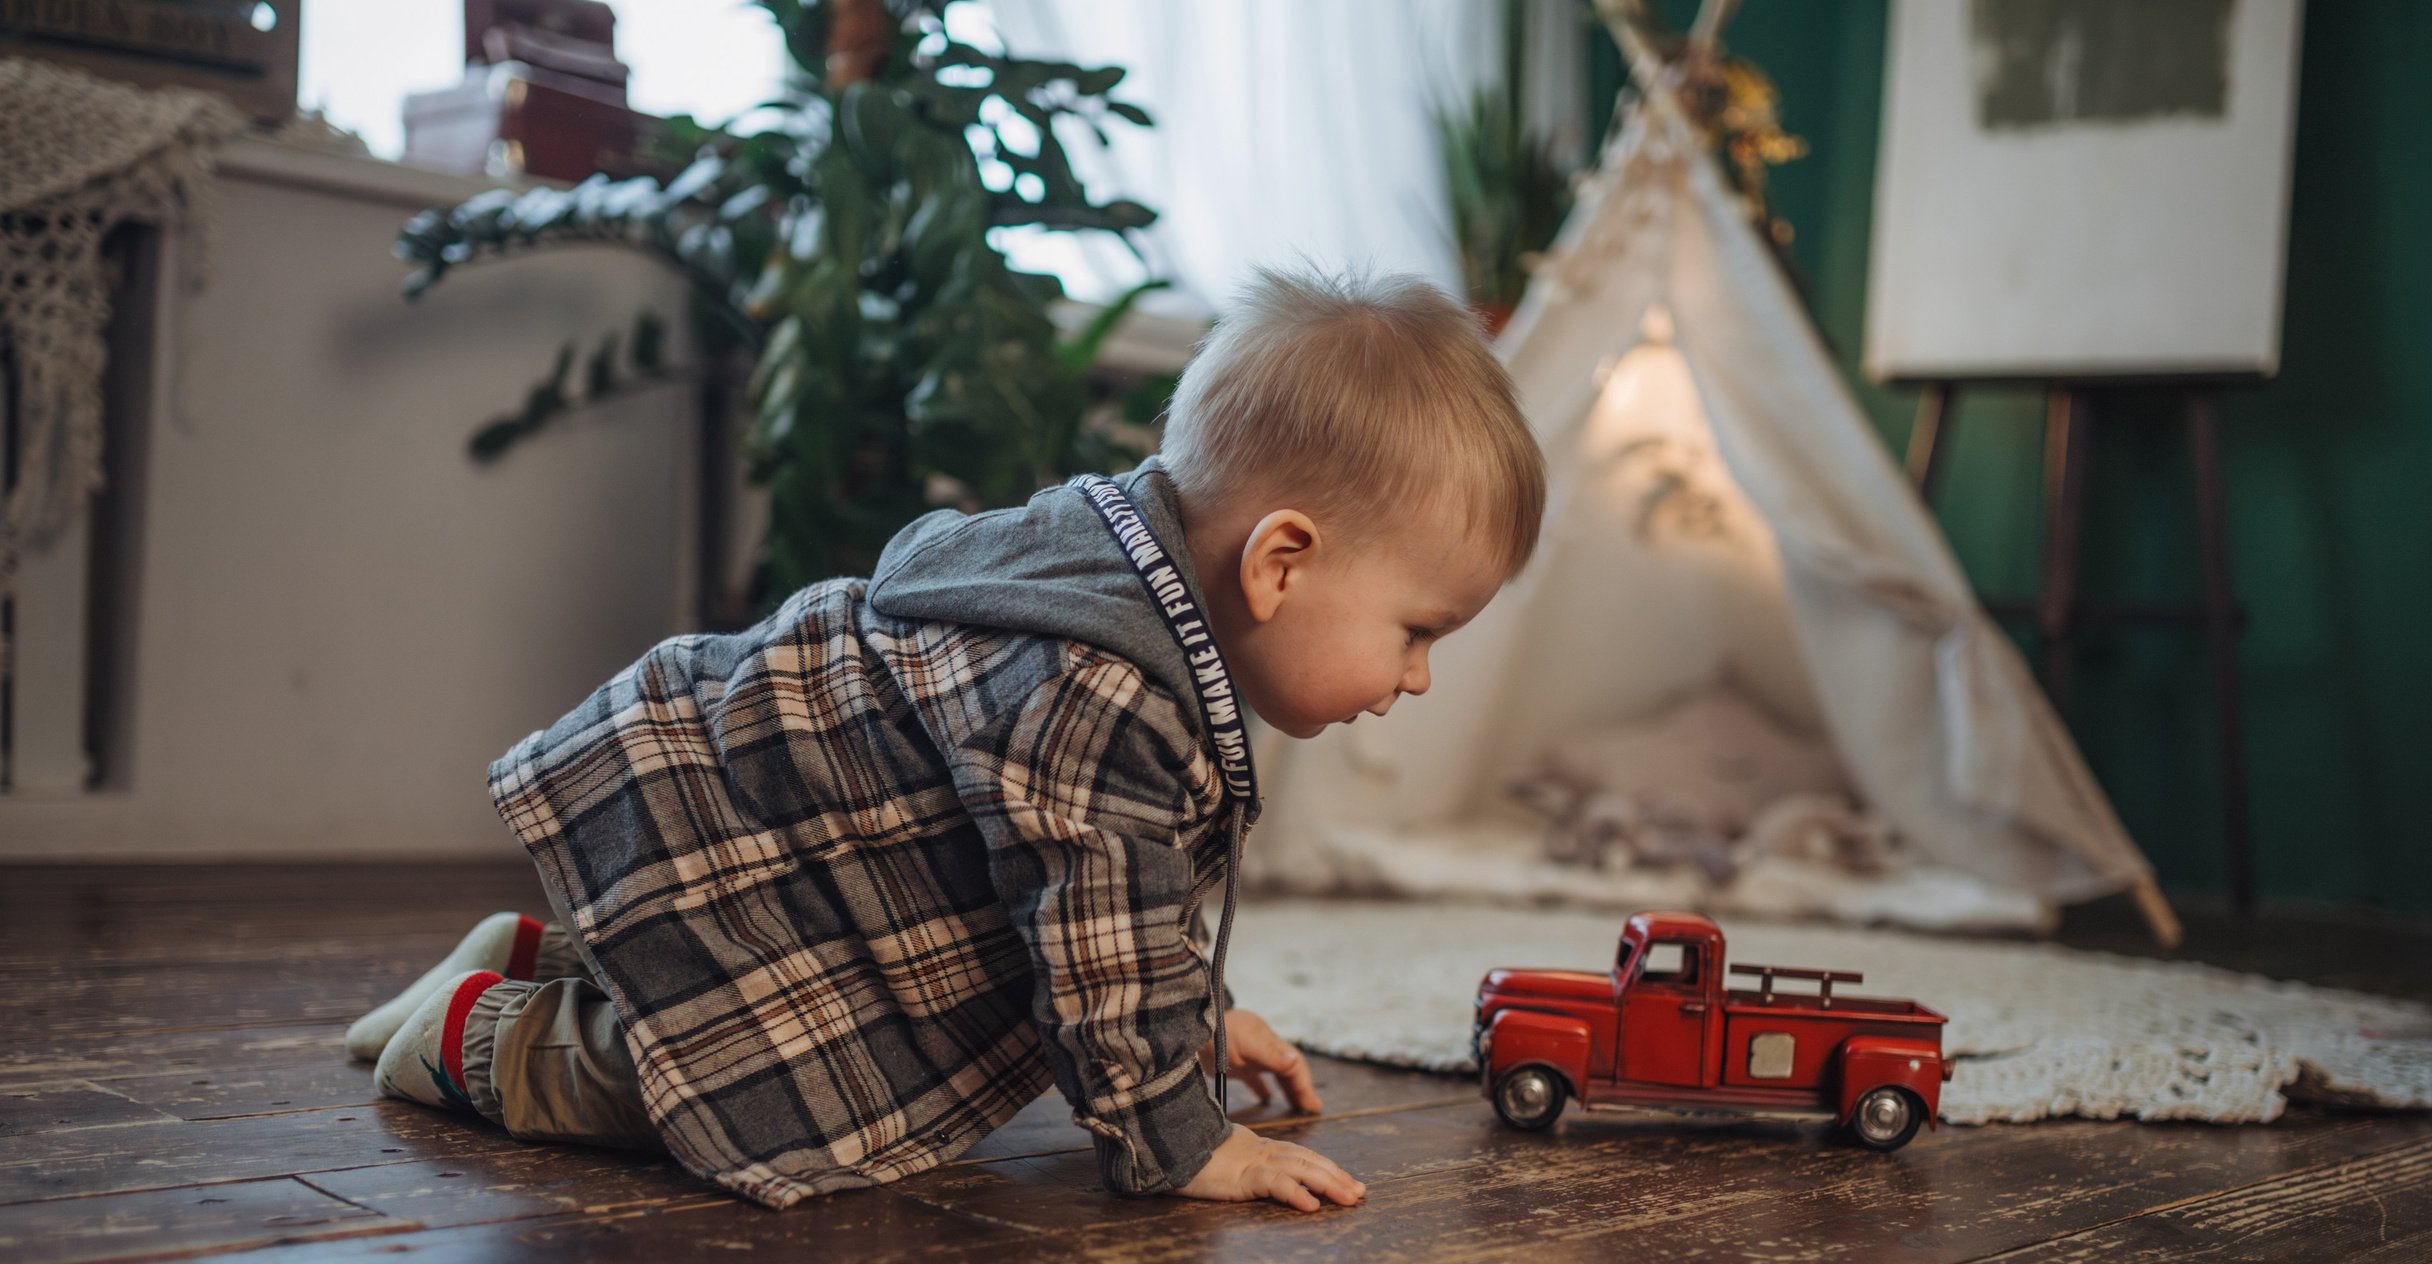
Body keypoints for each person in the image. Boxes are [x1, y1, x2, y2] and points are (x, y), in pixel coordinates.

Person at [351, 268, 1545, 1214]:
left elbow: (1132, 893)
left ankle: (530, 953)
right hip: (760, 829)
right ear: (1282, 560)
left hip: (761, 839)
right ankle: (479, 1037)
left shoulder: (1101, 579)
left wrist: (1197, 1014)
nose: (1417, 679)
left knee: (746, 993)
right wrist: (1183, 1143)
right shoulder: (1107, 684)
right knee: (734, 1097)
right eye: (1415, 630)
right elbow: (1097, 940)